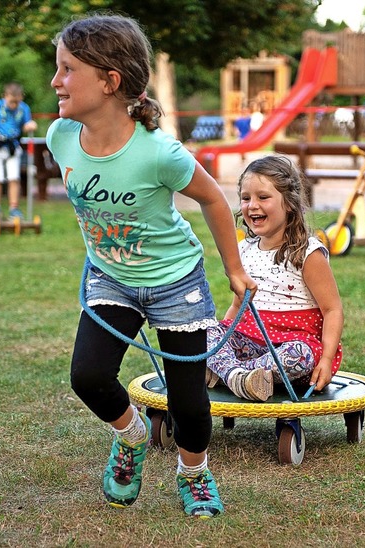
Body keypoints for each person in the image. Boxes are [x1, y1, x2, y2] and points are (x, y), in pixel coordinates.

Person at [46, 14, 256, 518]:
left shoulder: (160, 153)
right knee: (88, 376)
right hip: (110, 277)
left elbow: (213, 199)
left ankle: (194, 473)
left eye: (67, 70)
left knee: (187, 400)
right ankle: (132, 437)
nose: (55, 82)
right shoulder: (61, 137)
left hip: (174, 283)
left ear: (109, 81)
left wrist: (233, 268)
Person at [207, 156, 343, 401]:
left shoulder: (306, 253)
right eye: (246, 198)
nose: (252, 205)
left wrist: (326, 359)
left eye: (263, 197)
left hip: (292, 346)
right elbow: (238, 306)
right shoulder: (244, 249)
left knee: (300, 354)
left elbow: (332, 309)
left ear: (289, 203)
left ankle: (229, 373)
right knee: (204, 333)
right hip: (250, 341)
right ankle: (239, 376)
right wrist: (221, 338)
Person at [0, 82, 38, 220]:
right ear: (5, 96)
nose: (14, 105)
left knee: (14, 178)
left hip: (13, 146)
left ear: (21, 98)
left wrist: (30, 125)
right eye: (11, 102)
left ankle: (14, 208)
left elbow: (26, 124)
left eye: (17, 102)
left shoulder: (23, 108)